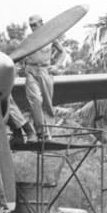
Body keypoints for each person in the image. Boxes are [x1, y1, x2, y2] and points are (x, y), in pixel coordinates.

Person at [23, 13, 67, 141]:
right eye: (31, 26)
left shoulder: (51, 36)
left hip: (45, 71)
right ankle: (41, 133)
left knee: (47, 104)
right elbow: (20, 53)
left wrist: (57, 66)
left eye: (35, 25)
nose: (33, 28)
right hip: (30, 70)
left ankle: (48, 134)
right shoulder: (29, 38)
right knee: (35, 100)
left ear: (41, 23)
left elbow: (63, 52)